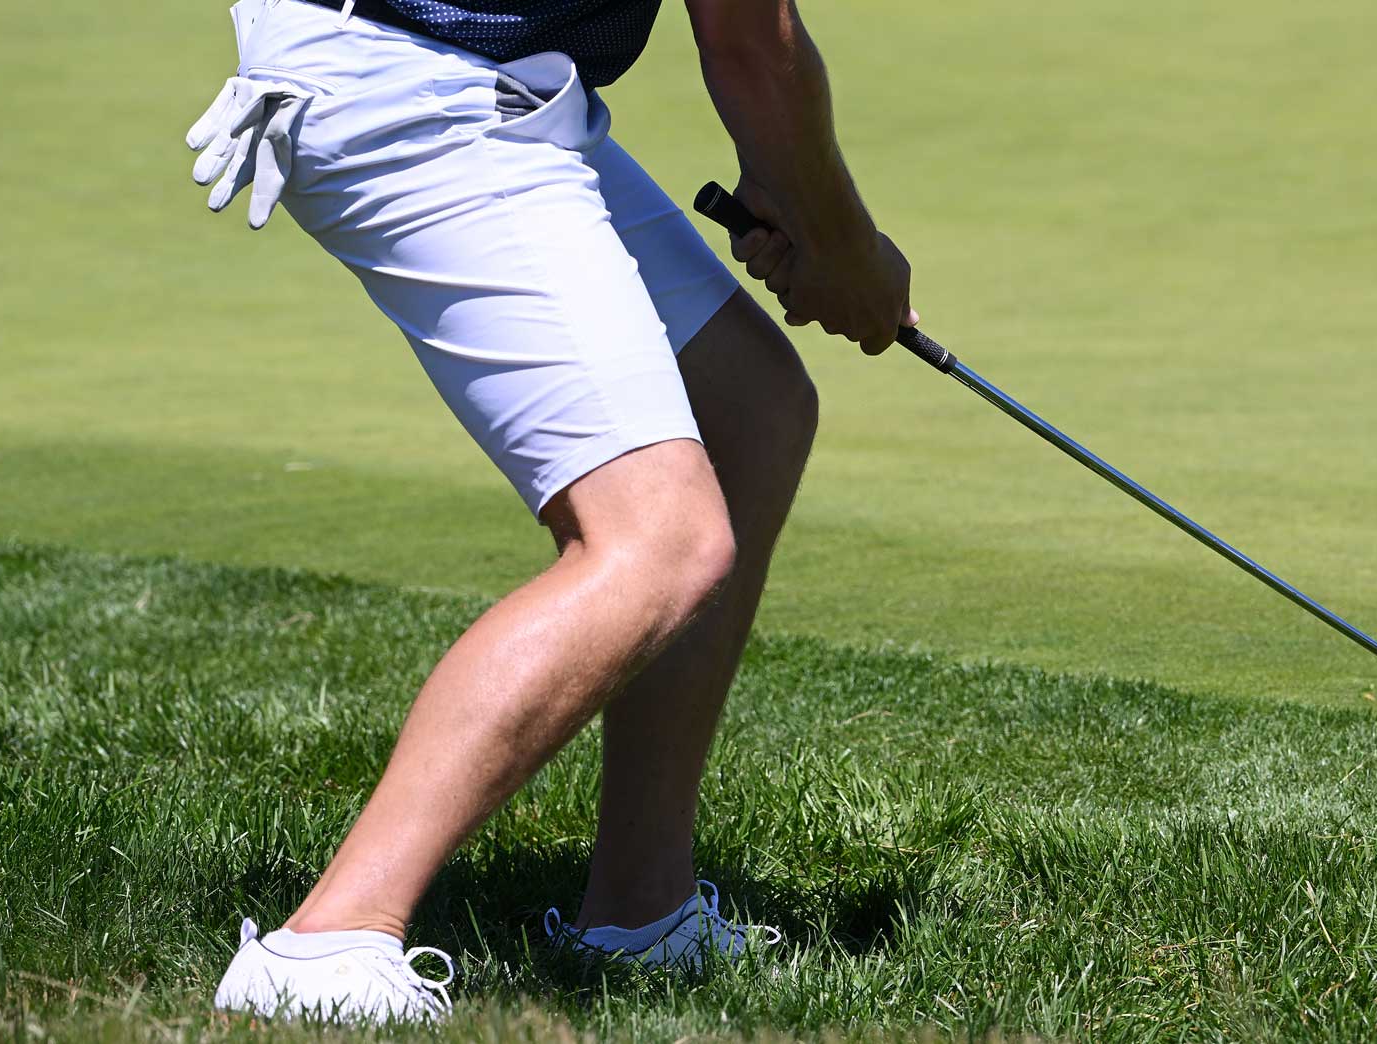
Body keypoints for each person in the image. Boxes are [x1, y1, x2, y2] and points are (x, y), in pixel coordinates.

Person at [184, 0, 916, 1022]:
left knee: (747, 406)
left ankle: (639, 913)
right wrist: (845, 250)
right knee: (659, 540)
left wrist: (810, 206)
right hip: (411, 88)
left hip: (495, 82)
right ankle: (323, 948)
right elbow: (754, 44)